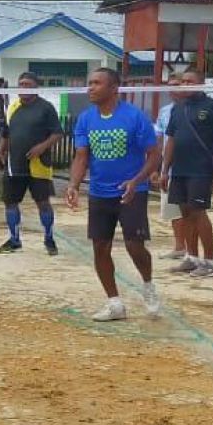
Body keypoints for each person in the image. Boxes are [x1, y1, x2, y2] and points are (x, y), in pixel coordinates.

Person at [66, 68, 162, 322]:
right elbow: (81, 156)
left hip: (131, 191)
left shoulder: (135, 117)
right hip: (99, 192)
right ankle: (114, 303)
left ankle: (148, 285)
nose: (91, 87)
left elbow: (154, 155)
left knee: (134, 245)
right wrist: (74, 185)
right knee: (100, 246)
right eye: (90, 83)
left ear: (113, 88)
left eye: (97, 83)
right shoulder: (86, 119)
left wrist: (136, 180)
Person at [161, 68, 213, 279]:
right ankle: (191, 257)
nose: (186, 84)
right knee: (185, 213)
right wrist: (164, 170)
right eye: (183, 81)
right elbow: (170, 139)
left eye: (190, 81)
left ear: (201, 83)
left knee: (199, 212)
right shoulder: (177, 109)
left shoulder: (212, 107)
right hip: (179, 169)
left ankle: (209, 262)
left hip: (200, 169)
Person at [0, 71, 63, 256]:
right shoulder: (12, 107)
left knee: (43, 202)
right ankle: (14, 239)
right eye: (21, 84)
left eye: (27, 84)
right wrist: (1, 151)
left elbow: (57, 133)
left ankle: (49, 238)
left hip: (38, 165)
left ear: (36, 88)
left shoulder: (46, 108)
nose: (23, 87)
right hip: (14, 164)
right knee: (10, 202)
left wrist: (42, 147)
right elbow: (6, 132)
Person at [153, 90, 189, 262]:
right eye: (171, 85)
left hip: (189, 168)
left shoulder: (194, 109)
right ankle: (179, 246)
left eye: (178, 85)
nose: (174, 89)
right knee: (172, 211)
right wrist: (157, 168)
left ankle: (192, 250)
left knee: (190, 211)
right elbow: (159, 140)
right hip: (168, 169)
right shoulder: (165, 111)